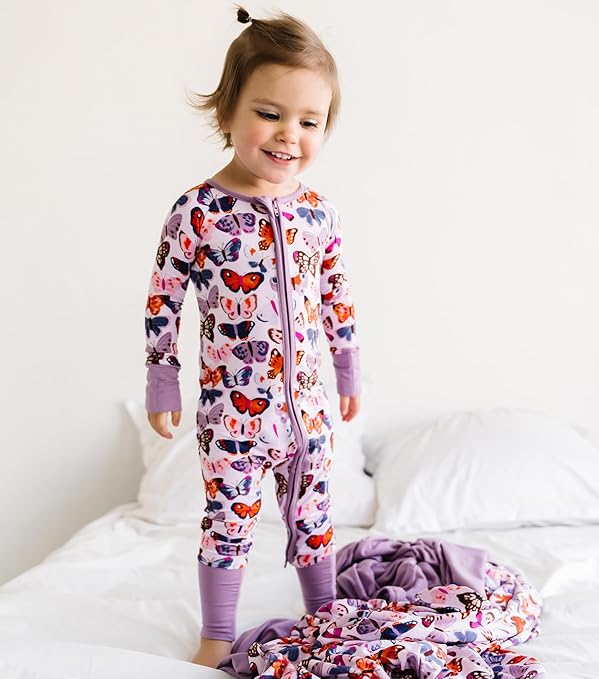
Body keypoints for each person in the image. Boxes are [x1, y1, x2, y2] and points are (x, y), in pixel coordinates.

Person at [142, 4, 361, 669]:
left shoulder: (318, 213)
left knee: (314, 517)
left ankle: (323, 614)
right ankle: (216, 632)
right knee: (228, 522)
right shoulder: (197, 211)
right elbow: (163, 300)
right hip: (232, 416)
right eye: (269, 113)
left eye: (309, 121)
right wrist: (162, 381)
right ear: (227, 112)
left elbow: (336, 294)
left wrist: (347, 369)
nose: (289, 134)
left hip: (307, 411)